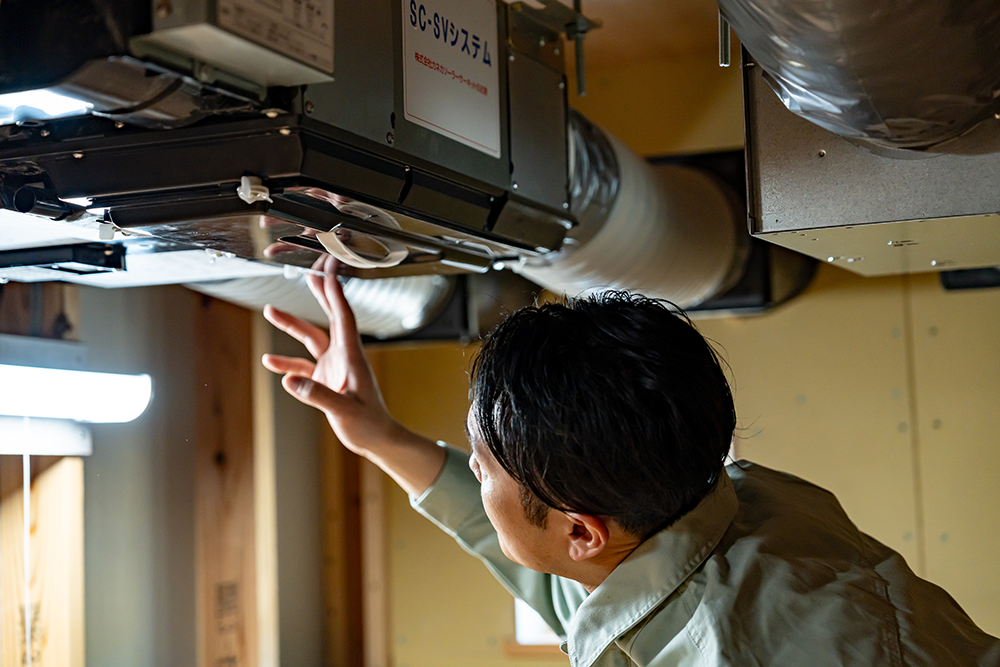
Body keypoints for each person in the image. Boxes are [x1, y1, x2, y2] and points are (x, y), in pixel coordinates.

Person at [262, 259, 1000, 667]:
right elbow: (572, 580)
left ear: (583, 530)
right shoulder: (728, 501)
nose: (476, 476)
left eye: (483, 469)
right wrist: (381, 435)